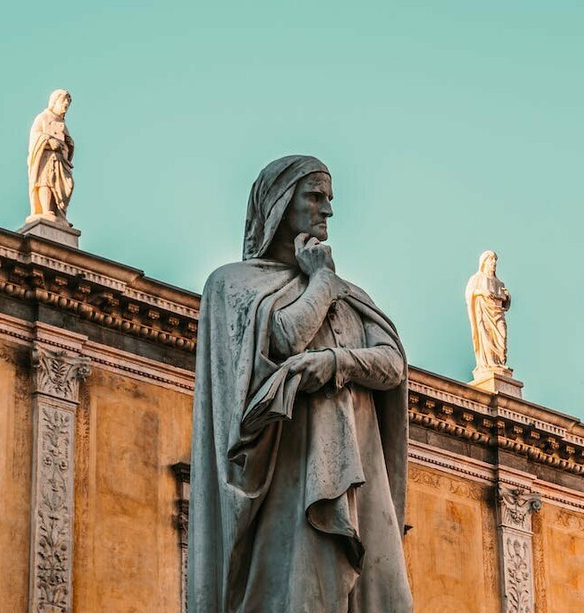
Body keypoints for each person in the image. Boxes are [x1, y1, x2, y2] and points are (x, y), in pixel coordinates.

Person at [188, 155, 413, 613]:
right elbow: (287, 337)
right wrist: (322, 283)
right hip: (284, 485)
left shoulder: (354, 299)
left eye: (329, 199)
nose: (327, 210)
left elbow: (392, 365)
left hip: (358, 477)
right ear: (278, 206)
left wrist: (334, 363)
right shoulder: (233, 286)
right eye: (315, 197)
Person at [27, 89, 75, 222]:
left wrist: (70, 144)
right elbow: (35, 136)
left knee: (64, 185)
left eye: (68, 103)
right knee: (46, 181)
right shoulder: (43, 117)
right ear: (54, 102)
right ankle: (46, 210)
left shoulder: (63, 124)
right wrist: (48, 140)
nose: (66, 104)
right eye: (63, 101)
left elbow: (66, 142)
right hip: (47, 157)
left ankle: (59, 213)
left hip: (60, 160)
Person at [465, 250, 511, 372]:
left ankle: (500, 362)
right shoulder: (477, 278)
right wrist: (481, 292)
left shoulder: (499, 282)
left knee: (502, 336)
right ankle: (490, 364)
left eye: (495, 260)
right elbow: (469, 294)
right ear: (484, 262)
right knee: (487, 337)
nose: (494, 262)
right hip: (484, 314)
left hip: (498, 313)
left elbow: (505, 304)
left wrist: (507, 296)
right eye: (491, 259)